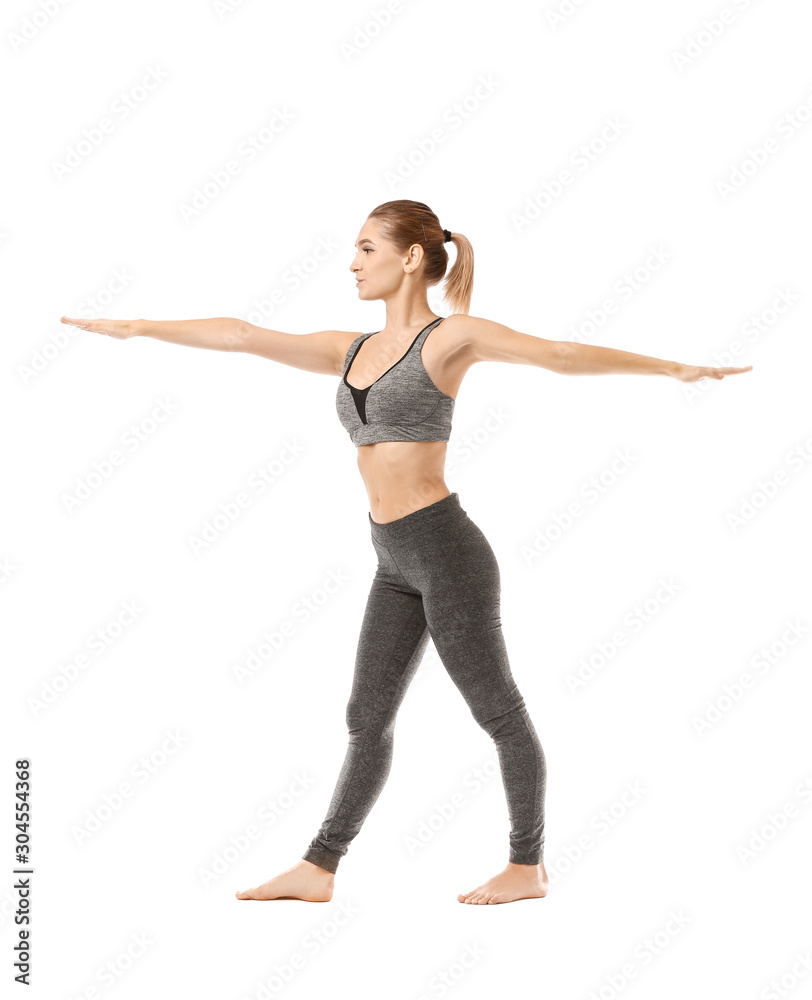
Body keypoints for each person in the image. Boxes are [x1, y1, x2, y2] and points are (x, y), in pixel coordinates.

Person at [60, 198, 752, 905]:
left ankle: (526, 865)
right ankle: (319, 866)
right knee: (366, 718)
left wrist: (674, 368)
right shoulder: (350, 349)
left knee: (497, 712)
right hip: (392, 557)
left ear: (411, 257)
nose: (353, 263)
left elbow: (561, 357)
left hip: (446, 549)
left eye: (366, 249)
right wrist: (137, 327)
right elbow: (241, 334)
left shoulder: (452, 339)